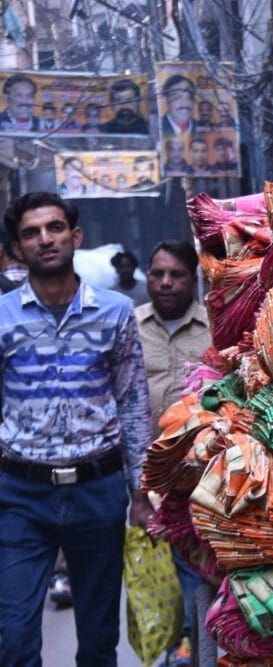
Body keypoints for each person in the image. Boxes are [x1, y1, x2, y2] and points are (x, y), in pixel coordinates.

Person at [0, 191, 153, 665]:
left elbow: (132, 402)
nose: (45, 239)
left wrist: (142, 494)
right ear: (17, 249)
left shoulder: (115, 312)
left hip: (98, 490)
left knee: (98, 638)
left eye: (54, 228)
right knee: (15, 638)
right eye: (31, 233)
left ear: (75, 236)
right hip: (20, 495)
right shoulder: (2, 317)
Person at [135, 241, 210, 667]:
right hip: (141, 473)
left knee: (194, 562)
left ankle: (186, 645)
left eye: (176, 274)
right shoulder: (130, 325)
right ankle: (165, 642)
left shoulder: (214, 326)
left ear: (192, 278)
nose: (165, 283)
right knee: (148, 566)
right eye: (157, 273)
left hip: (196, 474)